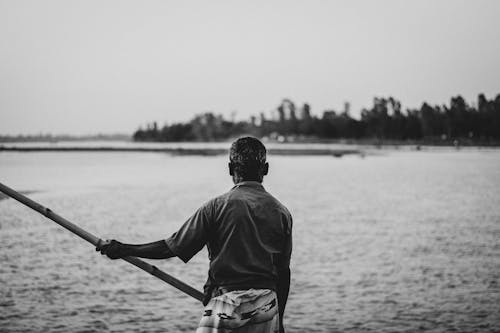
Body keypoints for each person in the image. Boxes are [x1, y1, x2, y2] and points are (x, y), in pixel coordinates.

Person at [97, 137, 293, 333]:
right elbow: (283, 273)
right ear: (265, 169)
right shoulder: (281, 212)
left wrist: (123, 249)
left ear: (230, 168)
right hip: (267, 307)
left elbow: (170, 247)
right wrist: (280, 322)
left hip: (227, 304)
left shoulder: (216, 207)